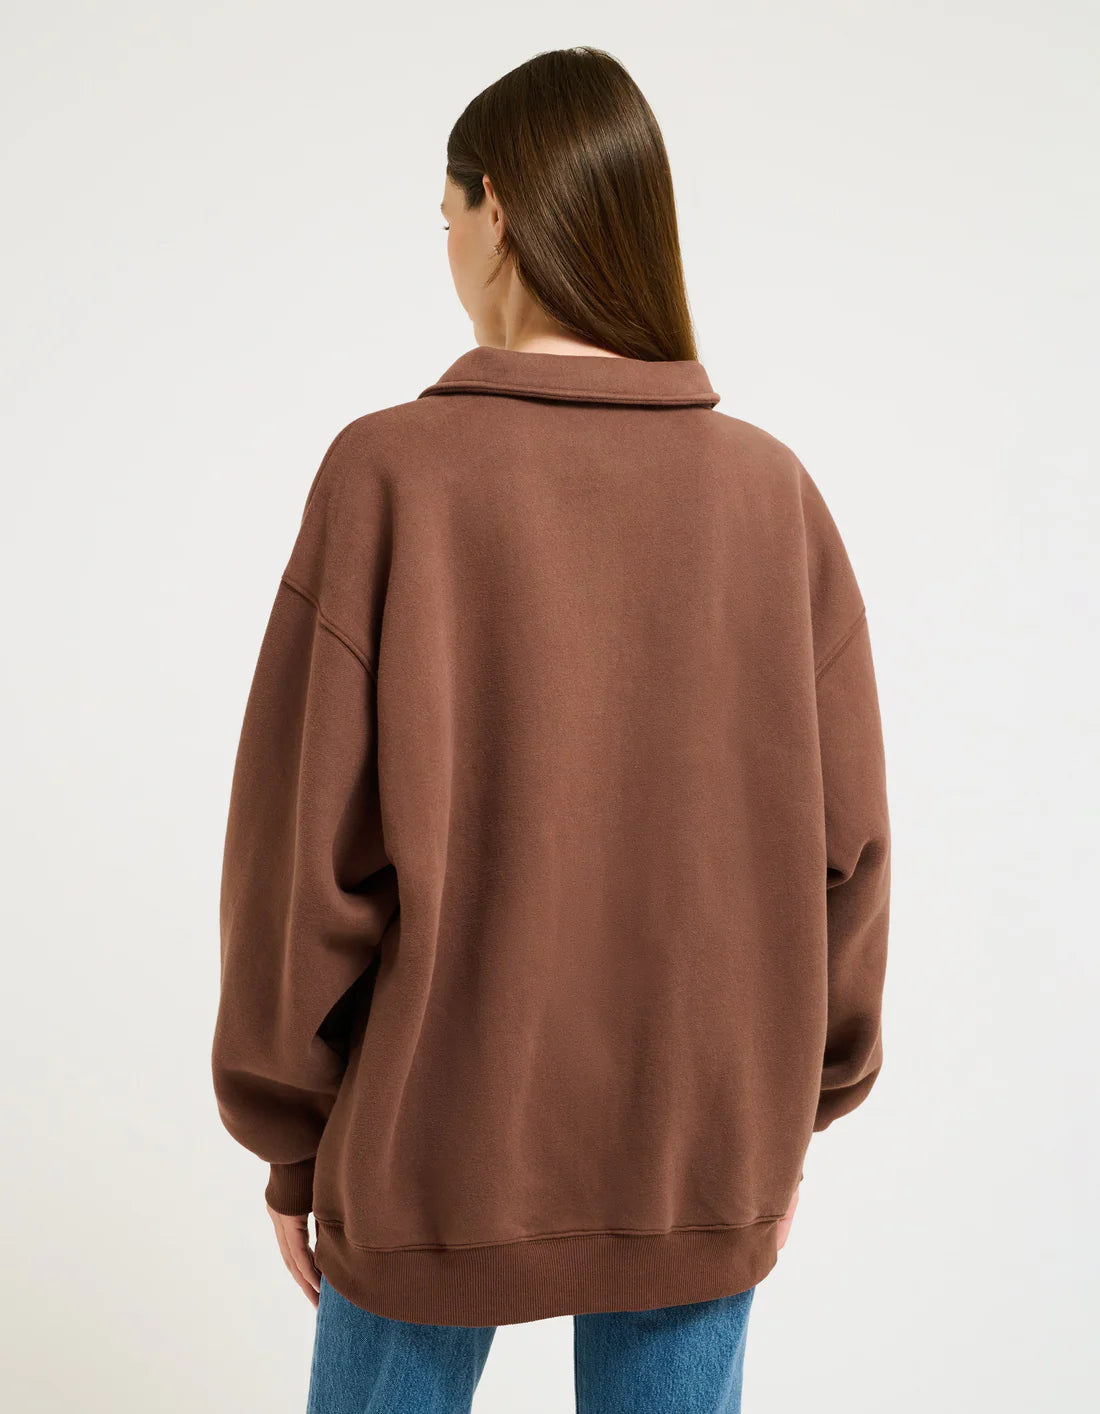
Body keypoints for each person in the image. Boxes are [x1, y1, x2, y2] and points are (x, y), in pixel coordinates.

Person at [211, 45, 891, 1414]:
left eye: (446, 214)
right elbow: (850, 854)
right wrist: (788, 1113)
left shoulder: (390, 474)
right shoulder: (773, 497)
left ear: (499, 210)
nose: (447, 249)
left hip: (426, 1157)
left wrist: (289, 1137)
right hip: (700, 1149)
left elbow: (305, 863)